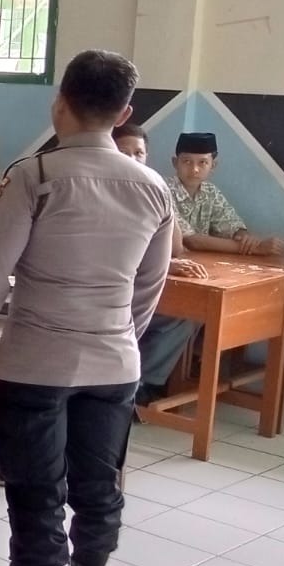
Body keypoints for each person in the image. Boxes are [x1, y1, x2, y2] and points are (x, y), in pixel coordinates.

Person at [0, 50, 174, 566]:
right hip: (115, 364)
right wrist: (120, 336)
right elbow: (149, 286)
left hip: (37, 363)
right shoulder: (154, 187)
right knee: (100, 490)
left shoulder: (36, 175)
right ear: (124, 114)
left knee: (35, 491)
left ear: (60, 104)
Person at [112, 124, 210, 404]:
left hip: (139, 290)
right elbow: (112, 252)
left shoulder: (152, 189)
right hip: (109, 292)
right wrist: (165, 265)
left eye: (139, 153)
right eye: (124, 152)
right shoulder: (102, 190)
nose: (132, 159)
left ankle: (143, 383)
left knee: (185, 315)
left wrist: (163, 198)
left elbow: (176, 248)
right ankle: (126, 383)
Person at [166, 132, 284, 256]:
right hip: (167, 262)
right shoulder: (163, 190)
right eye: (187, 161)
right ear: (175, 163)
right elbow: (191, 240)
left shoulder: (211, 192)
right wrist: (256, 248)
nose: (195, 169)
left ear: (213, 166)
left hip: (200, 261)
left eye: (203, 162)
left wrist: (245, 239)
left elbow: (232, 225)